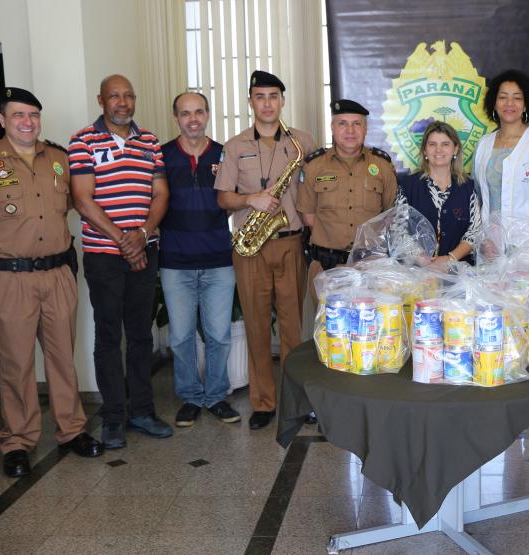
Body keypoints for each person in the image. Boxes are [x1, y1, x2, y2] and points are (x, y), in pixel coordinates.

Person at [0, 87, 103, 477]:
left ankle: (72, 430)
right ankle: (18, 441)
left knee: (62, 359)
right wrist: (1, 253)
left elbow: (70, 206)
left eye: (34, 115)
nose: (28, 122)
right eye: (19, 115)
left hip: (57, 275)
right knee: (16, 363)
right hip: (11, 279)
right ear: (2, 119)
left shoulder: (58, 159)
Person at [69, 74, 172, 448]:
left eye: (129, 95)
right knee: (109, 336)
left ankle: (142, 411)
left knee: (142, 335)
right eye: (115, 96)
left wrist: (141, 236)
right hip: (104, 258)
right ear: (101, 101)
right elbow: (83, 200)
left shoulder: (150, 142)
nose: (123, 102)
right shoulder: (82, 141)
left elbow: (160, 194)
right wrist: (124, 242)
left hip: (144, 248)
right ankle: (113, 417)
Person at [215, 70, 316, 430]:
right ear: (250, 101)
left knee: (293, 329)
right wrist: (251, 199)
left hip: (290, 242)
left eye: (274, 96)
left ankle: (295, 400)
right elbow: (224, 198)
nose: (268, 103)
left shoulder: (302, 141)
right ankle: (262, 402)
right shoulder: (235, 145)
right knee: (257, 326)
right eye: (260, 96)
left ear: (282, 101)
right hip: (250, 247)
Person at [160, 92, 240, 427]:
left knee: (219, 334)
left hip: (219, 258)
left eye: (198, 112)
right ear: (176, 117)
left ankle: (217, 395)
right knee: (180, 336)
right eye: (185, 113)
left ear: (207, 114)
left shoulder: (225, 153)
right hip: (175, 261)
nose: (192, 119)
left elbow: (237, 199)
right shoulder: (161, 156)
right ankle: (191, 396)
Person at [297, 99, 398, 293]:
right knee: (327, 323)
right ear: (333, 128)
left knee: (370, 323)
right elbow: (308, 216)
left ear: (366, 128)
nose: (350, 130)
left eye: (356, 124)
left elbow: (389, 215)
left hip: (371, 268)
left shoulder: (382, 166)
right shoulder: (314, 166)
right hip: (328, 268)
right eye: (342, 123)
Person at [472, 69, 529, 229]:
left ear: (525, 105)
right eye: (503, 97)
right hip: (489, 244)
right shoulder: (483, 144)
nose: (509, 104)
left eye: (517, 98)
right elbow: (477, 196)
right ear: (494, 104)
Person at [394, 121, 482, 268]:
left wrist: (450, 259)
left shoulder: (468, 187)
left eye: (445, 144)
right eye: (432, 144)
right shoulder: (408, 186)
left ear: (455, 149)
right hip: (416, 273)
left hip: (458, 273)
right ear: (424, 150)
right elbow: (398, 230)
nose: (438, 150)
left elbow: (475, 232)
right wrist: (422, 260)